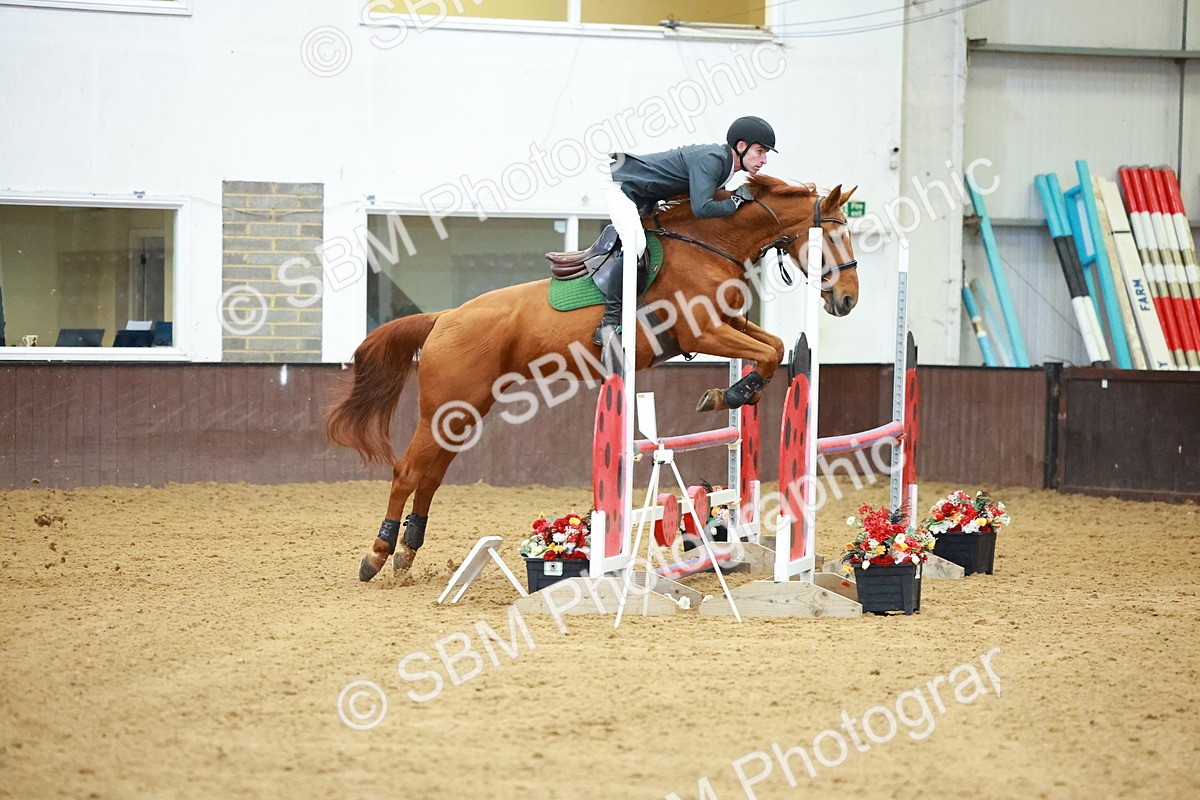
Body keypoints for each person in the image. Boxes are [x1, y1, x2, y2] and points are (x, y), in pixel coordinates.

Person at [594, 115, 777, 346]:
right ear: (741, 146)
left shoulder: (724, 167)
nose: (764, 160)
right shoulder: (714, 159)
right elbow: (702, 208)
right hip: (620, 186)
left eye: (766, 154)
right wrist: (736, 202)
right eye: (760, 151)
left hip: (646, 194)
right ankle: (609, 323)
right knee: (637, 245)